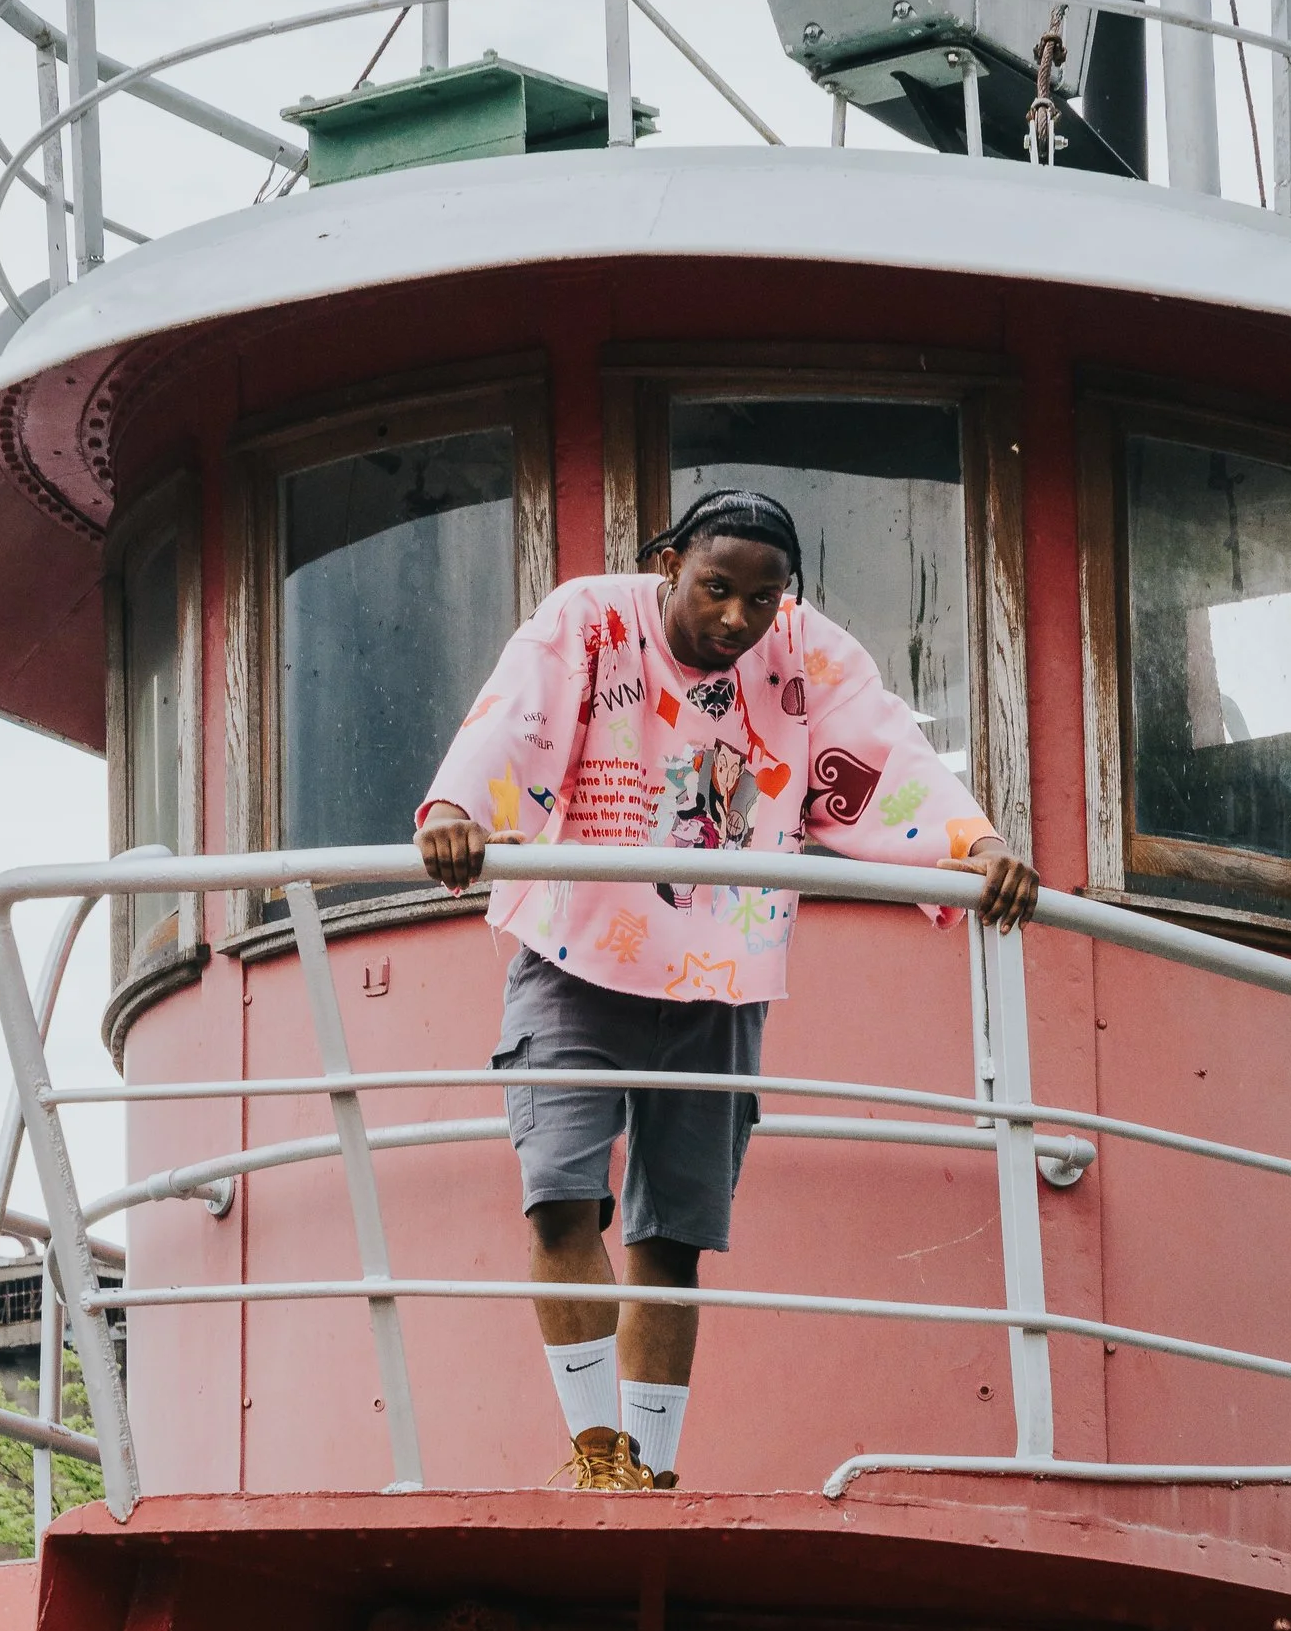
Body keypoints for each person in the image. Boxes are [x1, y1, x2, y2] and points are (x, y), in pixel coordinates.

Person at [415, 486, 1038, 1490]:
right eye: (715, 588)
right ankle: (594, 1454)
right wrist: (454, 807)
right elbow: (517, 718)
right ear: (669, 564)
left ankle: (652, 1471)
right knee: (560, 1200)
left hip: (718, 969)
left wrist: (979, 843)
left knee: (674, 1235)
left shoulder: (801, 651)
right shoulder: (591, 616)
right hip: (577, 951)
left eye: (763, 597)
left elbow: (883, 753)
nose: (738, 619)